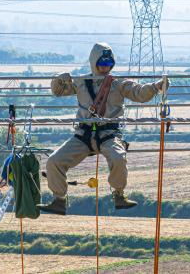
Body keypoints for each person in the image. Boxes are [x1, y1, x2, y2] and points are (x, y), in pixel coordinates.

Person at [37, 42, 170, 215]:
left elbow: (139, 93)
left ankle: (119, 195)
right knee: (54, 161)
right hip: (82, 135)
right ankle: (59, 200)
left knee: (118, 158)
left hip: (109, 134)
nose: (104, 68)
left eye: (108, 65)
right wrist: (59, 78)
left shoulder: (118, 84)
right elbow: (58, 91)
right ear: (94, 63)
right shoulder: (81, 83)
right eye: (101, 64)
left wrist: (156, 87)